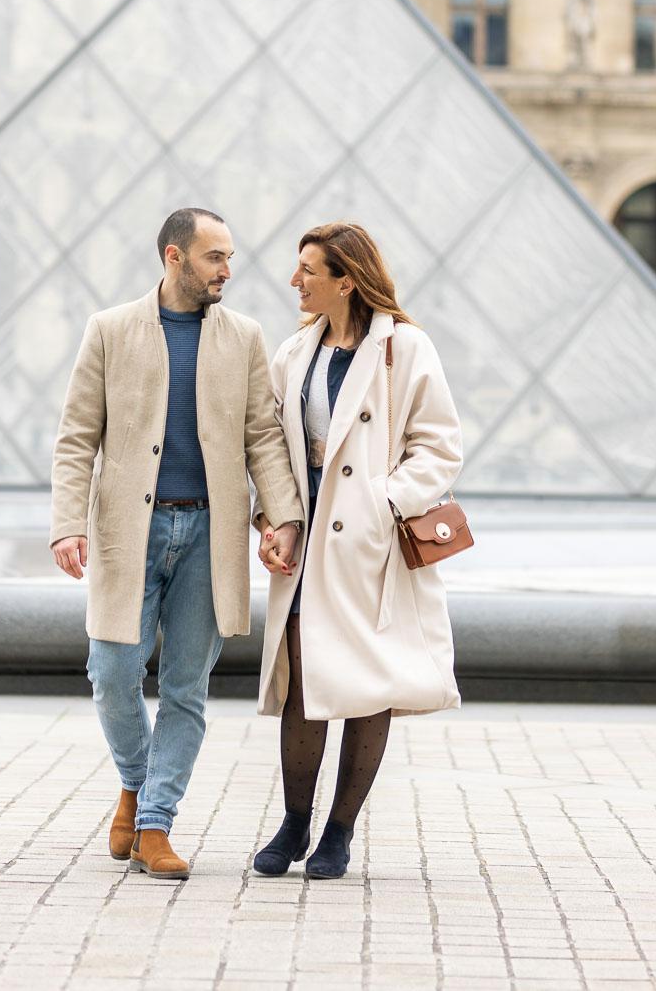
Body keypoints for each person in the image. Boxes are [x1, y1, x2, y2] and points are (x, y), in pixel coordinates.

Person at [49, 208, 303, 880]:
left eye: (228, 257)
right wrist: (67, 524)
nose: (227, 269)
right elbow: (77, 438)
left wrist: (280, 518)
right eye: (215, 257)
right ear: (174, 257)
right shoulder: (109, 330)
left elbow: (262, 437)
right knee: (111, 674)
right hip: (127, 532)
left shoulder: (244, 336)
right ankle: (136, 781)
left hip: (208, 536)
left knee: (187, 688)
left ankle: (155, 822)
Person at [251, 222, 462, 881]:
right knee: (303, 684)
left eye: (309, 270)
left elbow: (440, 446)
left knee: (368, 682)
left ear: (347, 279)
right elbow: (271, 449)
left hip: (369, 544)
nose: (296, 281)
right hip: (309, 538)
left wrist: (383, 503)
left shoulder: (406, 348)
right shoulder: (293, 352)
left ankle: (339, 832)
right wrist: (274, 518)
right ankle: (294, 822)